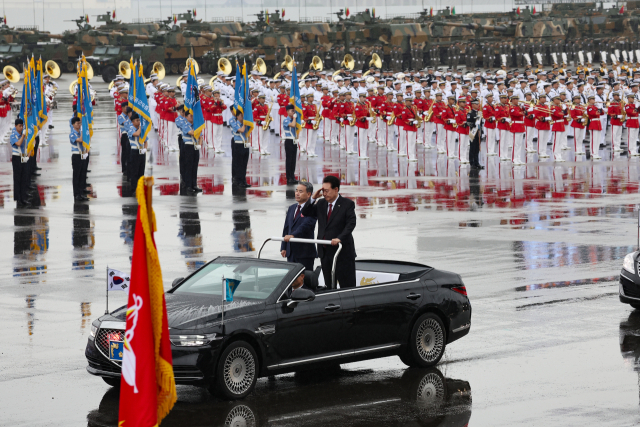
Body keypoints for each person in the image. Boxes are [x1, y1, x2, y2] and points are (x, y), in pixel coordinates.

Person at [301, 175, 357, 289]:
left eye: (327, 191)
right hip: (325, 253)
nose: (324, 193)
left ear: (336, 189)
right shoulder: (321, 203)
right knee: (329, 286)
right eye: (323, 190)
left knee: (347, 287)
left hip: (342, 253)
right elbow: (305, 212)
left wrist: (339, 238)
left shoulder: (347, 204)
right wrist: (312, 198)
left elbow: (350, 224)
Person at [281, 182, 318, 272]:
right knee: (291, 281)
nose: (297, 193)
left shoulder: (313, 209)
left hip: (304, 253)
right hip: (291, 252)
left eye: (300, 191)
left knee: (305, 281)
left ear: (309, 194)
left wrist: (293, 236)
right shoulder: (292, 208)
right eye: (296, 191)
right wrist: (284, 247)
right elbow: (286, 227)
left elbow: (306, 226)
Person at [11, 118, 30, 208]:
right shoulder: (13, 135)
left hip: (23, 157)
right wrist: (23, 136)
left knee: (24, 178)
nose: (21, 127)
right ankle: (18, 198)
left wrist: (28, 156)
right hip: (16, 158)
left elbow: (26, 147)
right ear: (15, 126)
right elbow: (18, 144)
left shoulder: (24, 135)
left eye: (22, 126)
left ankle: (23, 197)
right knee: (17, 179)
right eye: (20, 126)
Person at [230, 109, 251, 187]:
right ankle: (238, 181)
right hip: (238, 145)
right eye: (241, 116)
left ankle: (243, 180)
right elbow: (241, 130)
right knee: (238, 164)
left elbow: (248, 134)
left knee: (244, 164)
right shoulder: (235, 124)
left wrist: (249, 143)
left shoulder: (245, 124)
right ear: (238, 116)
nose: (243, 117)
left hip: (245, 145)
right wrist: (245, 124)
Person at [70, 117, 88, 202]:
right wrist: (83, 131)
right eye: (77, 123)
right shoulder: (72, 134)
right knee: (76, 176)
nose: (79, 125)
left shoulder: (81, 132)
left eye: (80, 123)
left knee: (82, 176)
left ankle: (81, 193)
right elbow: (80, 140)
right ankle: (76, 194)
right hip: (76, 156)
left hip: (82, 155)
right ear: (73, 124)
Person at [282, 105, 298, 185]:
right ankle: (289, 178)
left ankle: (292, 176)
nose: (293, 112)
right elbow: (292, 125)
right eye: (291, 111)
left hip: (294, 141)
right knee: (289, 160)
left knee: (293, 160)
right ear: (287, 111)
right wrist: (295, 118)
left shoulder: (293, 119)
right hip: (289, 141)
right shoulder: (286, 120)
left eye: (293, 111)